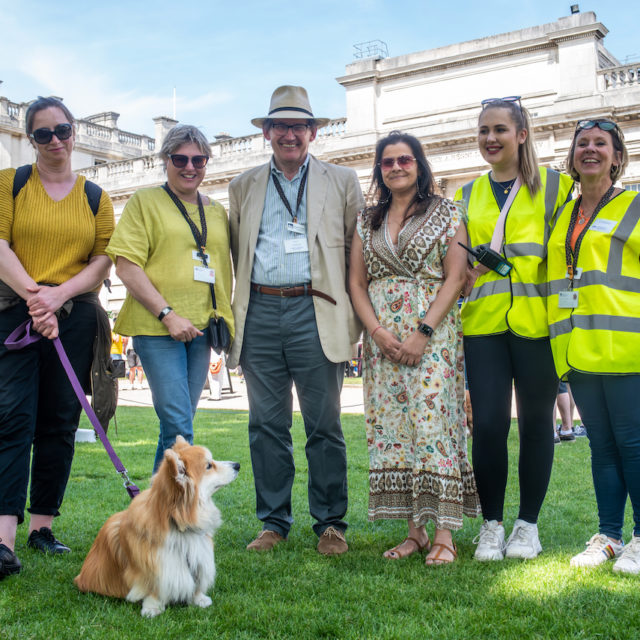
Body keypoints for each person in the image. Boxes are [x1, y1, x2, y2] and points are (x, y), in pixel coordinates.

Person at [227, 85, 364, 555]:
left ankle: (331, 523)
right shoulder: (241, 185)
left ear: (313, 132)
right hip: (260, 310)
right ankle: (273, 523)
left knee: (324, 423)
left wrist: (357, 319)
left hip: (316, 308)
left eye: (299, 125)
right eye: (281, 125)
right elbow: (235, 252)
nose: (290, 134)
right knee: (266, 424)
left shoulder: (342, 181)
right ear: (266, 132)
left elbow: (356, 254)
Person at [350, 131, 480, 565]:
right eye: (387, 162)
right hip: (382, 340)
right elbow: (356, 282)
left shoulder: (447, 213)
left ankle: (444, 534)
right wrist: (377, 331)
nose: (396, 168)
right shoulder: (366, 220)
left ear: (419, 165)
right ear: (379, 170)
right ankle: (415, 532)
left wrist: (422, 332)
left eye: (405, 160)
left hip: (433, 338)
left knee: (434, 426)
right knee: (395, 430)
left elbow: (456, 277)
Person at [0, 97, 114, 578]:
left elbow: (104, 259)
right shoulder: (11, 184)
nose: (55, 140)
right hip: (15, 313)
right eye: (43, 133)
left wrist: (59, 295)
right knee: (12, 416)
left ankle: (42, 527)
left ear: (74, 132)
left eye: (62, 130)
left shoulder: (95, 195)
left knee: (60, 421)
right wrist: (35, 297)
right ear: (30, 138)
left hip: (75, 316)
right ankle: (3, 538)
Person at [456, 96, 574, 561]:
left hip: (537, 326)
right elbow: (459, 262)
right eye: (484, 130)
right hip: (483, 326)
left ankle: (527, 525)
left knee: (535, 425)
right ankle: (491, 524)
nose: (491, 138)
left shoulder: (555, 187)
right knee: (486, 426)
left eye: (500, 129)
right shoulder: (466, 195)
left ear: (521, 134)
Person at [106, 124, 234, 472]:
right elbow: (126, 266)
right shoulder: (145, 202)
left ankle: (153, 517)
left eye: (199, 159)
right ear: (166, 160)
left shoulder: (217, 212)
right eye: (180, 158)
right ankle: (170, 516)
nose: (190, 167)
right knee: (179, 426)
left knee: (175, 430)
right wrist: (167, 314)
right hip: (157, 327)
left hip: (203, 328)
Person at [547, 118, 640, 574]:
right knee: (601, 446)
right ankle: (609, 534)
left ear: (617, 157)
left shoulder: (635, 205)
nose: (590, 150)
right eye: (581, 143)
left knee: (633, 444)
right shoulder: (564, 214)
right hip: (579, 351)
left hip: (627, 351)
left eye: (600, 144)